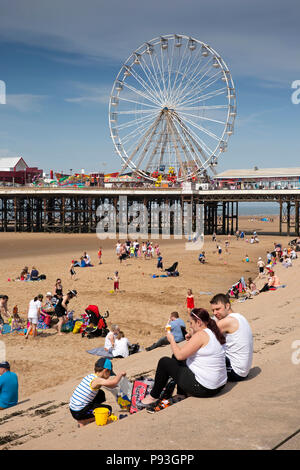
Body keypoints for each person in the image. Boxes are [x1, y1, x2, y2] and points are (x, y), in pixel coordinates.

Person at [141, 308, 227, 406]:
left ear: (198, 322)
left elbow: (180, 355)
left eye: (191, 323)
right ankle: (181, 394)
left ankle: (153, 396)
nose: (190, 326)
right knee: (177, 358)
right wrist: (191, 336)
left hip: (205, 389)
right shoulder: (211, 331)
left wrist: (171, 340)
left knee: (164, 362)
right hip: (219, 385)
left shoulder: (200, 336)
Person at [69, 358, 126, 427]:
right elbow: (113, 383)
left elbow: (111, 386)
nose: (108, 377)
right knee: (108, 410)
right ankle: (83, 421)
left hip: (73, 409)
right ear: (106, 371)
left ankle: (85, 417)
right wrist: (120, 374)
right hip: (79, 412)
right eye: (109, 374)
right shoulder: (97, 380)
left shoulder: (90, 376)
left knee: (100, 393)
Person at [210, 293, 253, 382]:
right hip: (243, 370)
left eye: (218, 309)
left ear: (227, 306)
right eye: (213, 310)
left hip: (235, 372)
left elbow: (204, 336)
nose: (215, 313)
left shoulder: (228, 321)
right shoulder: (239, 317)